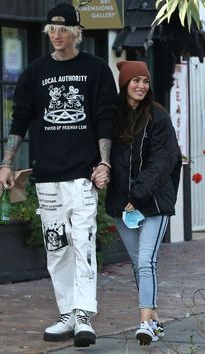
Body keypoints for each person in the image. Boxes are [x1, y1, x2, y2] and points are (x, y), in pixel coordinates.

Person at [0, 2, 117, 348]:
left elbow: (106, 118)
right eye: (52, 29)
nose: (57, 35)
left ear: (77, 32)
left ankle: (83, 315)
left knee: (83, 243)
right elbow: (20, 118)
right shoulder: (35, 72)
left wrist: (104, 163)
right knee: (57, 247)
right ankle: (66, 312)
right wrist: (7, 162)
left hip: (81, 175)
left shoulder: (95, 70)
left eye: (64, 29)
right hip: (47, 176)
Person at [105, 60, 182, 346]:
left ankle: (145, 322)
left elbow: (163, 162)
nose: (141, 86)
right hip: (121, 207)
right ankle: (155, 319)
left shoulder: (157, 118)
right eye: (135, 80)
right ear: (124, 84)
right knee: (139, 264)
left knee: (147, 261)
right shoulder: (113, 118)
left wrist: (135, 197)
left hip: (152, 204)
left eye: (145, 81)